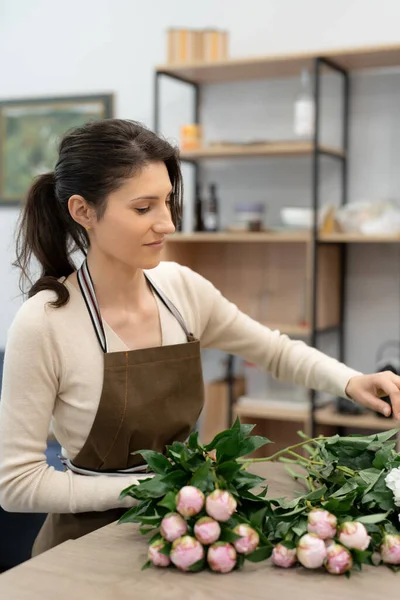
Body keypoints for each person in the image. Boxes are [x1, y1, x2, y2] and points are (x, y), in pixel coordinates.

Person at [0, 119, 399, 557]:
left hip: (185, 534)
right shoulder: (46, 322)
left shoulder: (180, 289)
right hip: (82, 550)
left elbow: (274, 351)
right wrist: (148, 488)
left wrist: (350, 381)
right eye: (143, 208)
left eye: (168, 202)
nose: (168, 223)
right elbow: (16, 484)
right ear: (83, 211)